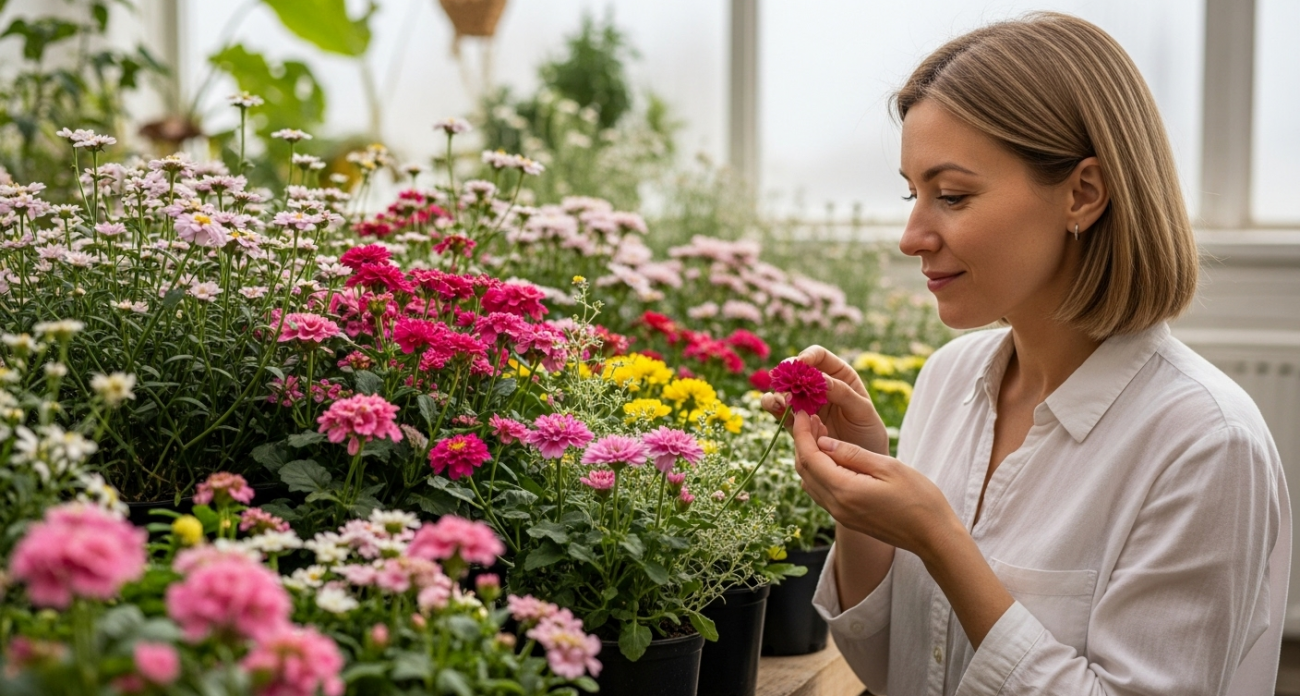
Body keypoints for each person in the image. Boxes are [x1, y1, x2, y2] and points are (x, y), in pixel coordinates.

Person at [761, 12, 1290, 696]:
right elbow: (890, 670)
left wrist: (943, 541)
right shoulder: (949, 380)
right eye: (911, 193)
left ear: (1083, 193)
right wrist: (862, 490)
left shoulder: (1206, 442)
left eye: (951, 195)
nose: (911, 236)